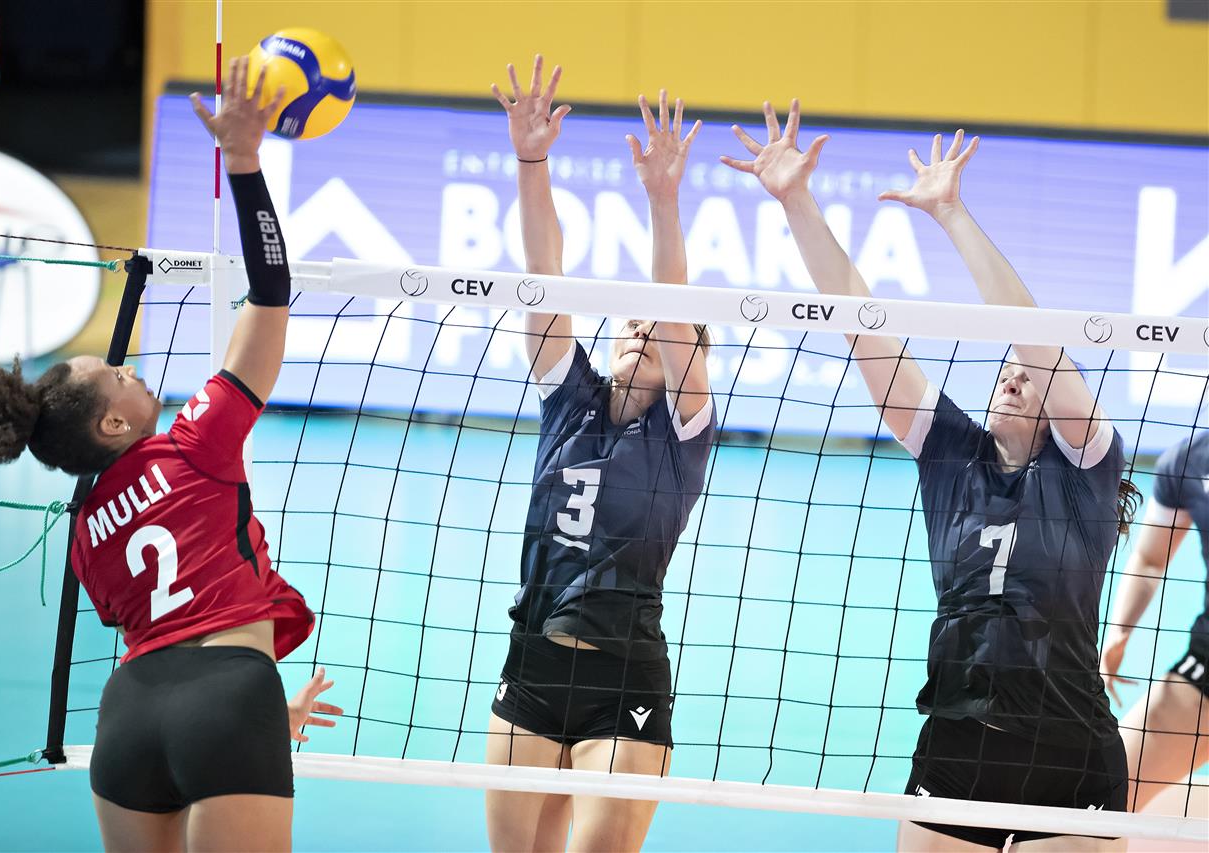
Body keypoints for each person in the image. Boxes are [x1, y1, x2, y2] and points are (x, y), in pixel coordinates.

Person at [723, 101, 1139, 851]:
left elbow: (1035, 338)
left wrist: (950, 213)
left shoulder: (1086, 466)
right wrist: (796, 201)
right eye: (1006, 372)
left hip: (1071, 752)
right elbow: (863, 327)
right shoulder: (951, 455)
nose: (1014, 377)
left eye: (1029, 374)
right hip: (957, 739)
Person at [0, 57, 340, 852]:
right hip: (230, 699)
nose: (129, 368)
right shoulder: (197, 439)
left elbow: (166, 632)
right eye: (116, 376)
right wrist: (243, 162)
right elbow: (271, 292)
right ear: (113, 424)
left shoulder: (85, 528)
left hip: (127, 718)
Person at [486, 55, 714, 852]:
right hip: (531, 661)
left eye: (660, 328)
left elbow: (673, 307)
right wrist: (532, 161)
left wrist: (663, 200)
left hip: (625, 679)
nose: (641, 327)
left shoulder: (683, 433)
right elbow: (542, 274)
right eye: (631, 318)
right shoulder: (568, 396)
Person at [1102, 430, 1208, 811]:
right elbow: (1149, 559)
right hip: (1205, 669)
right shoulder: (1190, 459)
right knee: (1104, 794)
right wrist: (1119, 633)